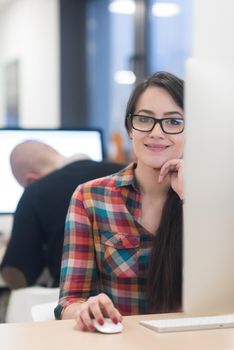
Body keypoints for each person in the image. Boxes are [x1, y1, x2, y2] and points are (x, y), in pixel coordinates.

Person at [55, 71, 184, 332]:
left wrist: (190, 199)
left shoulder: (215, 199)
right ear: (129, 129)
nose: (157, 132)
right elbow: (69, 301)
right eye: (145, 119)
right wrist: (86, 309)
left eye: (173, 121)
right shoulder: (91, 197)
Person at [0, 141, 125, 289]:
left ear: (31, 180)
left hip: (74, 301)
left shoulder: (35, 192)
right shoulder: (125, 173)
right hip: (135, 298)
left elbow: (18, 274)